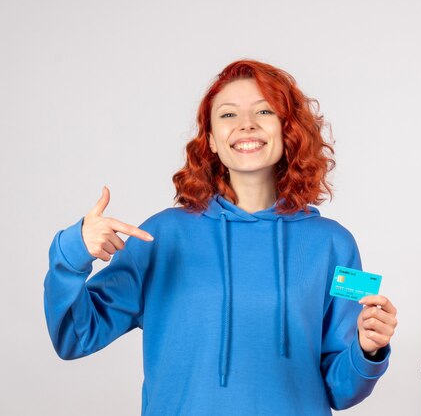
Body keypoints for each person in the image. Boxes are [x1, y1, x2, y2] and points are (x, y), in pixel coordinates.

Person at [44, 59, 397, 415]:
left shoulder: (334, 244)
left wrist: (367, 351)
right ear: (211, 139)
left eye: (264, 111)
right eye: (228, 115)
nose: (246, 124)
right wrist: (73, 252)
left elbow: (341, 390)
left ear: (287, 129)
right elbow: (75, 336)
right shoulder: (161, 236)